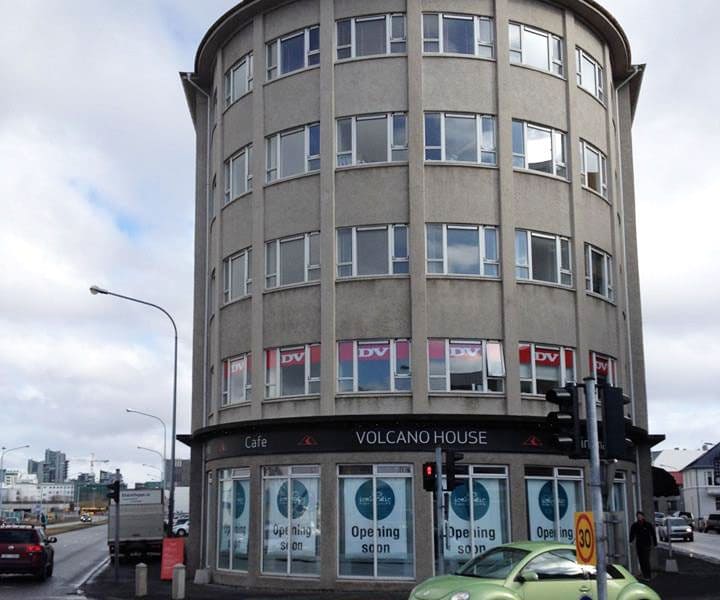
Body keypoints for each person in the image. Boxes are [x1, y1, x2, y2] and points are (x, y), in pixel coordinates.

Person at [629, 511, 657, 579]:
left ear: (643, 516)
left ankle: (648, 575)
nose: (639, 517)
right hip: (639, 544)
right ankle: (644, 575)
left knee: (646, 559)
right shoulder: (635, 525)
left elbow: (653, 534)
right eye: (638, 516)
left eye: (640, 516)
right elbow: (632, 533)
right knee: (641, 560)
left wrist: (655, 543)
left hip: (647, 544)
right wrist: (631, 541)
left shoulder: (648, 525)